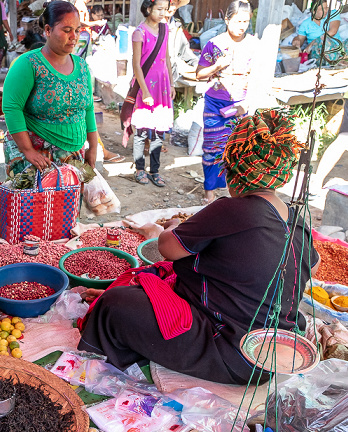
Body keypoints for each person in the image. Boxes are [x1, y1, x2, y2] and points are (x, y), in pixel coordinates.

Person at [79, 109, 320, 385]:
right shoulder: (297, 220)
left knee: (115, 306)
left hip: (232, 351)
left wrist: (169, 227)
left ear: (233, 171)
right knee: (159, 279)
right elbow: (311, 264)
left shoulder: (233, 210)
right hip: (277, 351)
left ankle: (106, 362)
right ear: (281, 174)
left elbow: (168, 248)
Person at [2, 0, 97, 180]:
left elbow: (88, 108)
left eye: (77, 30)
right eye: (67, 30)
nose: (74, 37)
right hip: (38, 158)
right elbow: (12, 107)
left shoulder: (82, 66)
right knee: (38, 207)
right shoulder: (28, 64)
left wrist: (92, 147)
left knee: (68, 206)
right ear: (47, 30)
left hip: (74, 155)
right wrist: (28, 151)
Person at [196, 0, 257, 204]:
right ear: (227, 19)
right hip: (215, 104)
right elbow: (199, 74)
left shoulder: (253, 45)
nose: (242, 26)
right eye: (238, 21)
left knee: (238, 149)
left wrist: (247, 103)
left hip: (241, 105)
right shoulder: (214, 44)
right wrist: (216, 66)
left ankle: (233, 193)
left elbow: (260, 77)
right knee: (213, 147)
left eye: (246, 22)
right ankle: (209, 194)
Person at [130, 0, 173, 188]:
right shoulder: (139, 33)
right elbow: (136, 64)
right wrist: (145, 91)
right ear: (148, 9)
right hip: (145, 86)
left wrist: (171, 83)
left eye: (165, 9)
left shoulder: (165, 29)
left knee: (158, 132)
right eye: (159, 9)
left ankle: (155, 170)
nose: (163, 13)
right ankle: (140, 168)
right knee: (141, 130)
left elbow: (168, 58)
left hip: (162, 87)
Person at [164, 0, 197, 84]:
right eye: (168, 4)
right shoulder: (151, 26)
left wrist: (197, 64)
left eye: (173, 4)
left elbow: (185, 52)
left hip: (171, 77)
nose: (171, 7)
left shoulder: (176, 26)